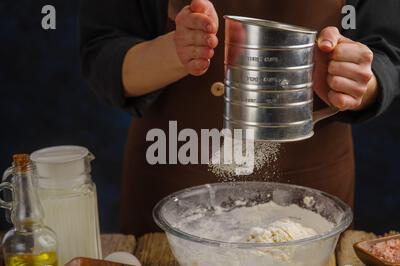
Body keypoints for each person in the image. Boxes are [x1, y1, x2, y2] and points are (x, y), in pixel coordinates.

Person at [80, 0, 400, 236]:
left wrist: (357, 79)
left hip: (309, 193)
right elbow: (101, 50)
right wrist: (174, 54)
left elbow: (388, 53)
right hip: (172, 181)